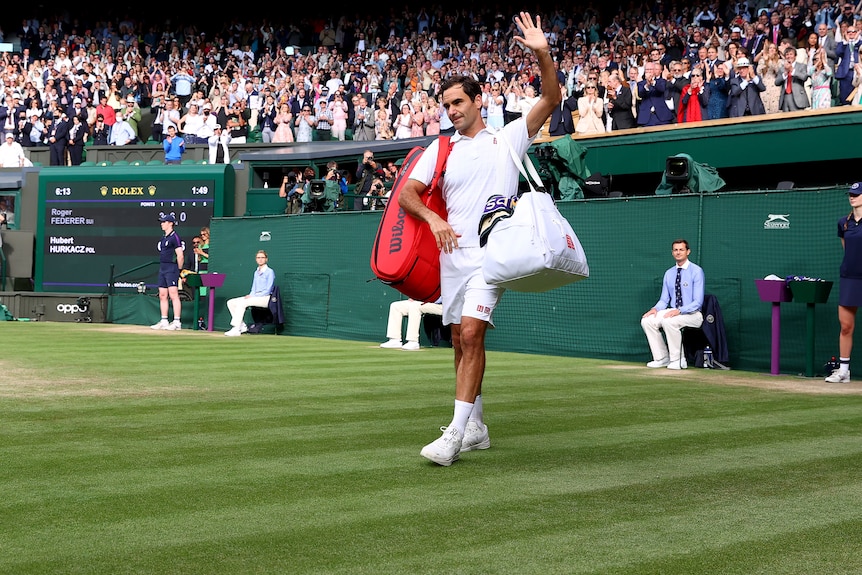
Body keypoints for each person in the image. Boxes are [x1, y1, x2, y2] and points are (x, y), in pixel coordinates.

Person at [397, 12, 560, 466]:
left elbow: (550, 97)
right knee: (457, 339)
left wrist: (541, 52)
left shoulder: (508, 139)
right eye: (445, 105)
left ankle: (452, 435)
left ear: (477, 100)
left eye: (457, 102)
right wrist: (433, 218)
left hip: (493, 255)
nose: (451, 111)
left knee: (472, 333)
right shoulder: (441, 147)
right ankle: (477, 427)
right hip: (454, 258)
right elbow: (408, 194)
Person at [640, 239, 705, 370]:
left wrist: (679, 311)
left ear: (688, 252)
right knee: (647, 320)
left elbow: (698, 302)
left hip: (694, 314)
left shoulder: (696, 271)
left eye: (681, 249)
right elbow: (664, 300)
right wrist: (655, 309)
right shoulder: (669, 273)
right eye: (675, 250)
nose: (678, 252)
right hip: (674, 311)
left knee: (669, 322)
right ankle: (662, 358)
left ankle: (678, 360)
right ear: (672, 253)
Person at [826, 181, 862, 382]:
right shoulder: (843, 223)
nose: (852, 197)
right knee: (846, 326)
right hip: (850, 278)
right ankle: (844, 371)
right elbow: (846, 249)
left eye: (856, 194)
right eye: (851, 194)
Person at [224, 250, 275, 337]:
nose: (260, 259)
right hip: (255, 297)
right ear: (256, 259)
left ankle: (236, 328)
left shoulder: (270, 272)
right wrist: (251, 295)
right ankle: (242, 326)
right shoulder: (256, 272)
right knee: (231, 302)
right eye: (258, 258)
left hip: (265, 298)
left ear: (266, 259)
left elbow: (268, 289)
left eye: (262, 257)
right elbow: (253, 287)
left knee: (243, 303)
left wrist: (253, 296)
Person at [150, 214, 184, 331]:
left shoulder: (175, 237)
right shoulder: (164, 237)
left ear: (170, 223)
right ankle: (164, 321)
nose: (162, 224)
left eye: (164, 222)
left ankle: (177, 322)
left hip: (172, 268)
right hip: (163, 268)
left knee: (174, 294)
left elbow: (180, 255)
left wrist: (178, 270)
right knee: (162, 295)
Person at [379, 297, 444, 351]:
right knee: (396, 306)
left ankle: (413, 341)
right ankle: (394, 340)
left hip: (444, 306)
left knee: (414, 306)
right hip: (426, 301)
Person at [777, 47, 811, 112]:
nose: (789, 56)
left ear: (795, 56)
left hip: (798, 97)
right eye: (787, 54)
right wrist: (785, 74)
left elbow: (804, 77)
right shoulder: (782, 68)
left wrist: (792, 70)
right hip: (785, 97)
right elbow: (777, 82)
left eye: (791, 54)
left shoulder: (802, 66)